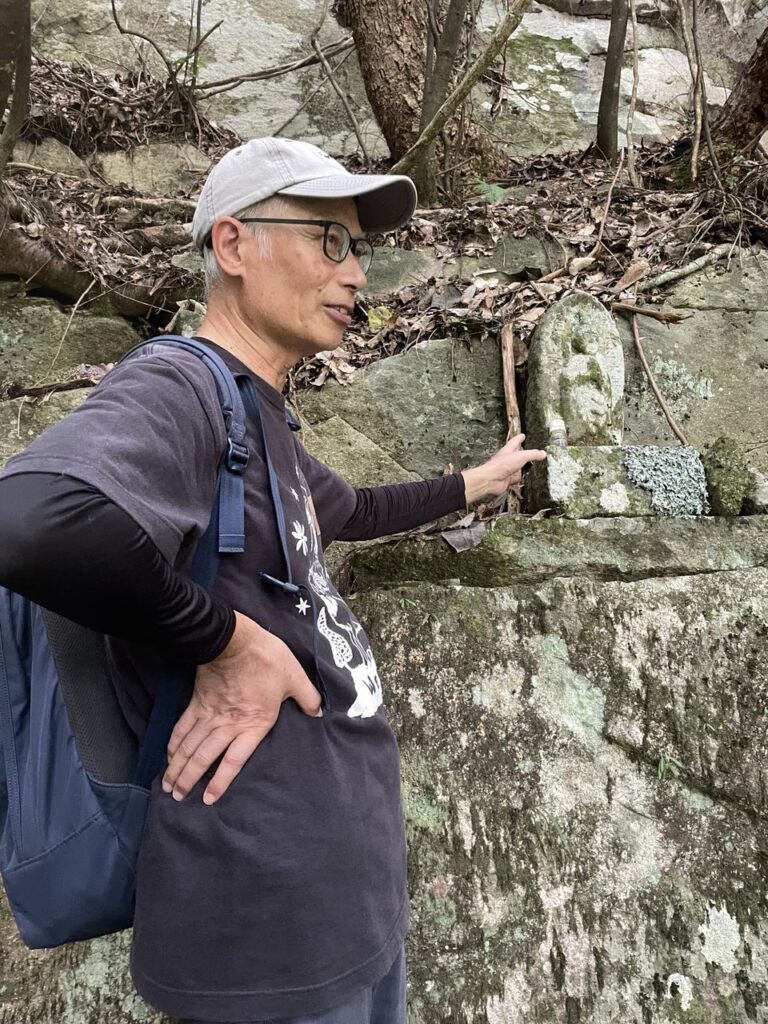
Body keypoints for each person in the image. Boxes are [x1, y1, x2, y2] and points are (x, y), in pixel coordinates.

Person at [0, 137, 546, 1024]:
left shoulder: (262, 420)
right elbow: (34, 520)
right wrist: (224, 641)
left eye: (359, 248)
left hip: (346, 902)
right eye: (331, 240)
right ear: (233, 246)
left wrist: (472, 485)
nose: (357, 273)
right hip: (263, 925)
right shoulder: (180, 384)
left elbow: (353, 510)